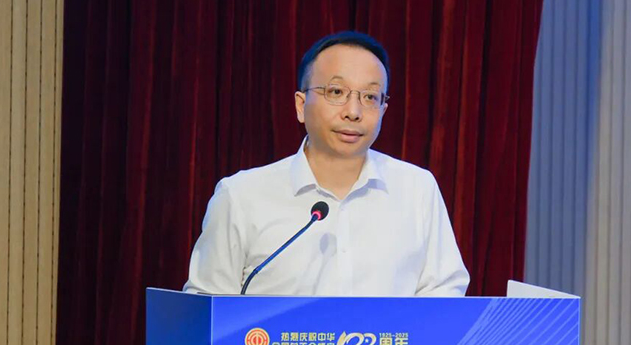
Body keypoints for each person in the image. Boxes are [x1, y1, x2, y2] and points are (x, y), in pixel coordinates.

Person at [183, 31, 469, 296]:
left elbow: (444, 294)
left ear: (383, 109)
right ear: (300, 105)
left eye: (370, 97)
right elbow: (206, 307)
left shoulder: (417, 189)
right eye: (336, 92)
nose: (353, 112)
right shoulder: (241, 196)